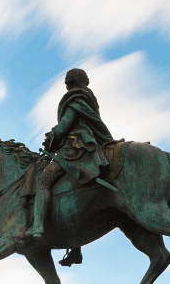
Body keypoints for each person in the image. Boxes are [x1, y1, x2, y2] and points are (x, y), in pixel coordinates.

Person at [26, 68, 115, 264]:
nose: (66, 85)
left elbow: (65, 125)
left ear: (70, 82)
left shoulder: (75, 98)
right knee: (71, 190)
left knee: (43, 180)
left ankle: (38, 226)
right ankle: (75, 249)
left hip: (75, 148)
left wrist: (52, 137)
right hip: (85, 146)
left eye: (67, 81)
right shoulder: (87, 98)